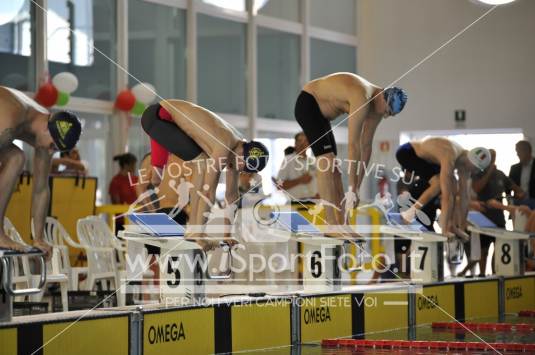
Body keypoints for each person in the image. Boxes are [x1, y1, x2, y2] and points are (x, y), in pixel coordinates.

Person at [141, 100, 269, 250]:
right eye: (242, 164)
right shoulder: (224, 145)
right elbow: (207, 191)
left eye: (245, 168)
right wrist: (200, 233)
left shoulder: (236, 153)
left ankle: (195, 231)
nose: (240, 169)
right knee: (201, 163)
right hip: (160, 117)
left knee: (156, 180)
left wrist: (227, 234)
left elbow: (232, 196)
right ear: (242, 150)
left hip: (163, 121)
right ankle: (195, 232)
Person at [294, 72, 407, 234]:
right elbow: (354, 145)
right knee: (326, 161)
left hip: (322, 115)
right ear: (383, 97)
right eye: (387, 111)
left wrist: (356, 188)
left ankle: (343, 223)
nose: (386, 116)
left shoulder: (377, 108)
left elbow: (366, 147)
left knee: (336, 169)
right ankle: (330, 223)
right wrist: (352, 188)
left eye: (390, 115)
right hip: (308, 103)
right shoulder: (362, 95)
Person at [0, 86, 82, 254]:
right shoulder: (11, 116)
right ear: (46, 128)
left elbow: (41, 189)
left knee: (16, 158)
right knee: (15, 157)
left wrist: (38, 239)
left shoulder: (44, 126)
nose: (51, 152)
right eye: (52, 146)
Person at [395, 137, 491, 239]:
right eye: (475, 169)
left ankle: (452, 226)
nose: (474, 172)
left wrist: (462, 227)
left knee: (453, 183)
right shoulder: (449, 155)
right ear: (470, 161)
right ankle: (409, 214)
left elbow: (465, 197)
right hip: (409, 152)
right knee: (438, 184)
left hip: (430, 160)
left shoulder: (465, 164)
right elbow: (447, 196)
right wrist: (444, 230)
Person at [460, 149, 523, 276]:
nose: (492, 160)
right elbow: (477, 188)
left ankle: (496, 272)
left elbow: (516, 189)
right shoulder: (477, 172)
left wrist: (517, 194)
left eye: (494, 157)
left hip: (498, 216)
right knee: (483, 249)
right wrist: (489, 171)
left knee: (499, 246)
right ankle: (482, 274)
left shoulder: (500, 174)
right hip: (482, 217)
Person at [276, 132, 317, 201]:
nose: (302, 143)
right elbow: (279, 185)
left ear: (309, 144)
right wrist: (300, 180)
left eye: (305, 141)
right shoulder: (288, 160)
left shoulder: (313, 161)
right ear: (295, 143)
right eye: (300, 140)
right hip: (295, 203)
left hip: (313, 203)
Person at [509, 140, 535, 207]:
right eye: (516, 151)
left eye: (519, 151)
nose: (517, 154)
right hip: (519, 204)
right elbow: (508, 186)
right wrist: (510, 201)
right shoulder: (514, 168)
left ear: (527, 151)